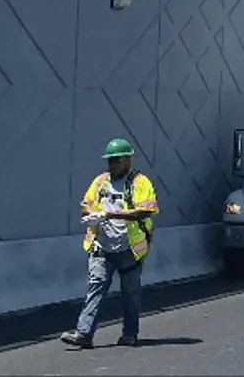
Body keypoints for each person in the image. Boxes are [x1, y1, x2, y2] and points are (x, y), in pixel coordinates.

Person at [60, 138, 159, 349]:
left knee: (130, 293)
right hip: (102, 246)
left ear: (127, 160)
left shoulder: (140, 183)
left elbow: (145, 210)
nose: (111, 165)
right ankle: (84, 333)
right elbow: (85, 205)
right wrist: (94, 215)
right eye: (109, 161)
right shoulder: (101, 181)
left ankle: (130, 333)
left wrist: (113, 214)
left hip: (130, 250)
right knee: (96, 287)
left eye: (115, 160)